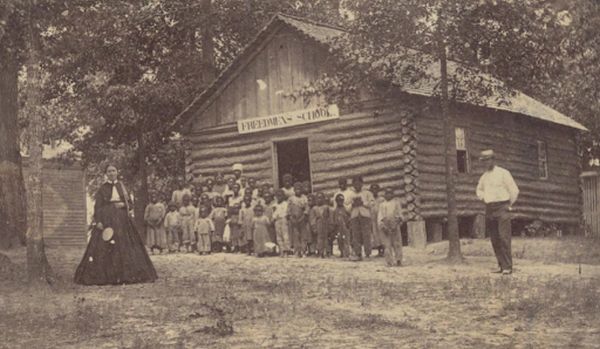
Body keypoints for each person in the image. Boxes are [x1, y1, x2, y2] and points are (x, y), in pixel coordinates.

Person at [74, 165, 157, 285]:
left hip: (122, 220)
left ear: (117, 172)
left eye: (113, 171)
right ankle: (107, 276)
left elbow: (130, 204)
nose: (112, 173)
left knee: (125, 244)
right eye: (109, 171)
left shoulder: (122, 187)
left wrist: (123, 205)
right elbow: (98, 206)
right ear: (106, 174)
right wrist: (99, 221)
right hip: (108, 220)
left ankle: (126, 275)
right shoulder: (102, 189)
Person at [476, 149, 519, 275]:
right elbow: (479, 189)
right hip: (490, 208)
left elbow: (514, 190)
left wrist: (508, 204)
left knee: (504, 237)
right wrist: (483, 197)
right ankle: (500, 265)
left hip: (502, 208)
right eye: (483, 161)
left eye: (488, 160)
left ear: (493, 160)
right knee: (494, 238)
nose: (485, 163)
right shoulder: (484, 176)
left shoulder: (503, 173)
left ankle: (508, 266)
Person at [347, 176, 375, 261]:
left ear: (362, 184)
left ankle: (368, 253)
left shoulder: (367, 193)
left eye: (359, 183)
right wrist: (352, 205)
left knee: (366, 234)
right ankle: (358, 253)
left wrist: (363, 203)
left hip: (365, 216)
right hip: (354, 216)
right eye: (355, 184)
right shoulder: (350, 194)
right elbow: (346, 207)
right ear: (353, 185)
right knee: (356, 235)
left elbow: (372, 203)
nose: (357, 185)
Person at [378, 188, 404, 267]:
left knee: (397, 243)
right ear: (384, 195)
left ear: (393, 194)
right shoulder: (382, 205)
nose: (388, 195)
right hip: (386, 224)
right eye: (387, 193)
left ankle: (398, 259)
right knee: (387, 244)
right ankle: (389, 261)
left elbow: (400, 214)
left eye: (390, 193)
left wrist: (397, 222)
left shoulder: (396, 203)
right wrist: (383, 226)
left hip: (394, 224)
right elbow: (380, 216)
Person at [288, 182, 309, 257]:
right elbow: (289, 209)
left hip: (302, 218)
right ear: (294, 190)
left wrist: (304, 216)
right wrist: (291, 217)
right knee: (296, 235)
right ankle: (297, 251)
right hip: (294, 219)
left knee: (303, 235)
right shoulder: (291, 199)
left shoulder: (304, 198)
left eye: (299, 189)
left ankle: (303, 250)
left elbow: (306, 208)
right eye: (296, 189)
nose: (298, 191)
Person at [272, 189, 291, 256]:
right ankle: (281, 250)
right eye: (277, 196)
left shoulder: (285, 204)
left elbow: (286, 212)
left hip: (283, 219)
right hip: (277, 220)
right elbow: (274, 213)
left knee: (285, 235)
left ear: (283, 196)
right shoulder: (275, 204)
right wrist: (274, 218)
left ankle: (287, 250)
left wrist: (284, 217)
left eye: (280, 196)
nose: (279, 197)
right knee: (278, 235)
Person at [332, 193, 351, 258]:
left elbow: (349, 216)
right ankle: (342, 252)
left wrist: (348, 222)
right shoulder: (335, 210)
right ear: (336, 201)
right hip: (338, 227)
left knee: (346, 240)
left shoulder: (346, 209)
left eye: (342, 200)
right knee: (340, 240)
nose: (340, 202)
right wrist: (334, 226)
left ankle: (347, 253)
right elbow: (334, 219)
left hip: (345, 226)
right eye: (339, 200)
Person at [369, 183, 385, 257]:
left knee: (382, 233)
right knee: (375, 234)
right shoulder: (370, 199)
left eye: (376, 189)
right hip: (372, 218)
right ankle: (379, 250)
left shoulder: (381, 199)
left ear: (378, 190)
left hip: (380, 218)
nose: (374, 191)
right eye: (373, 189)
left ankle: (384, 250)